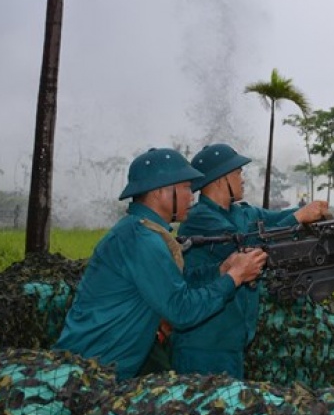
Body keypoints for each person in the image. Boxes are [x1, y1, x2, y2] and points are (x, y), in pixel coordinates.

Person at [53, 147, 267, 380]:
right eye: (185, 188)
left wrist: (221, 269)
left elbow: (176, 284)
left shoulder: (144, 232)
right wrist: (233, 278)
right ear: (159, 193)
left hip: (109, 366)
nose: (191, 195)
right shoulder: (140, 240)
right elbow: (181, 310)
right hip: (91, 372)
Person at [172, 142, 334, 378]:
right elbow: (247, 248)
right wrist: (298, 217)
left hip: (230, 339)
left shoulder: (241, 213)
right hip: (203, 343)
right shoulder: (201, 219)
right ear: (220, 179)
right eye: (237, 173)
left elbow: (278, 218)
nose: (242, 179)